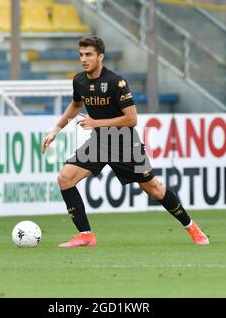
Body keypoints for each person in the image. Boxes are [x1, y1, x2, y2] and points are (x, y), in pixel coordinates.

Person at [41, 36, 209, 248]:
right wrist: (57, 129)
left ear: (100, 56)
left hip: (125, 144)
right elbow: (75, 105)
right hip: (100, 142)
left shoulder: (115, 82)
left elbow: (132, 119)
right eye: (81, 55)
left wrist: (97, 123)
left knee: (154, 189)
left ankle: (192, 227)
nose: (84, 59)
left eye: (89, 55)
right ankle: (86, 235)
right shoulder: (79, 81)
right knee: (65, 178)